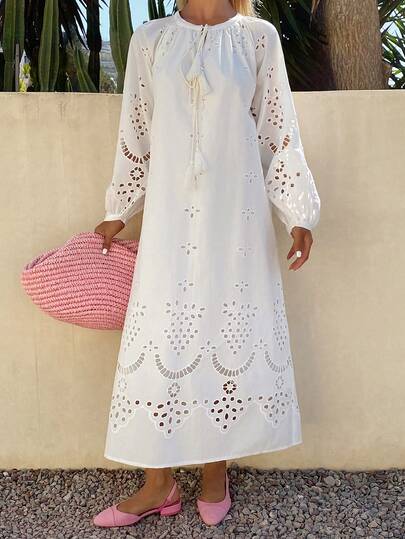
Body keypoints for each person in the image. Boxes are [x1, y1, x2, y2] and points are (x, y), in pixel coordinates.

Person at [93, 0, 321, 528]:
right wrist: (118, 210)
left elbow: (278, 130)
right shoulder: (151, 39)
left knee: (224, 332)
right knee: (162, 334)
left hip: (235, 219)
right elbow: (136, 129)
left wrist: (298, 214)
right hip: (168, 218)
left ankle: (215, 474)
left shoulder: (258, 38)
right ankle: (158, 483)